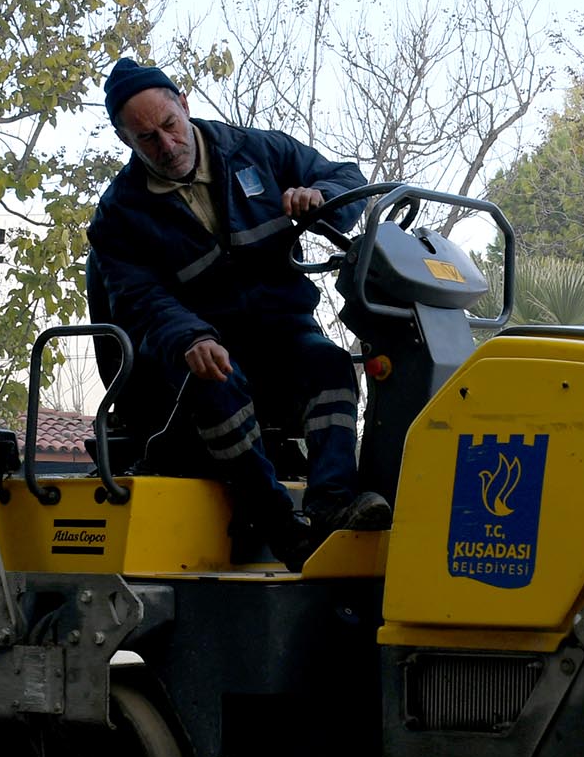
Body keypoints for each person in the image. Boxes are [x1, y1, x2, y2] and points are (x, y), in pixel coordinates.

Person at [86, 57, 392, 569]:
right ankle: (278, 525)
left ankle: (332, 500)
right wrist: (191, 338)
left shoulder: (259, 152)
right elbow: (140, 300)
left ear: (185, 106)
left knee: (331, 366)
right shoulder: (120, 216)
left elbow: (344, 177)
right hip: (199, 352)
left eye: (169, 126)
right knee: (215, 380)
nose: (165, 145)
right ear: (126, 141)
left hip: (283, 333)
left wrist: (322, 198)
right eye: (146, 140)